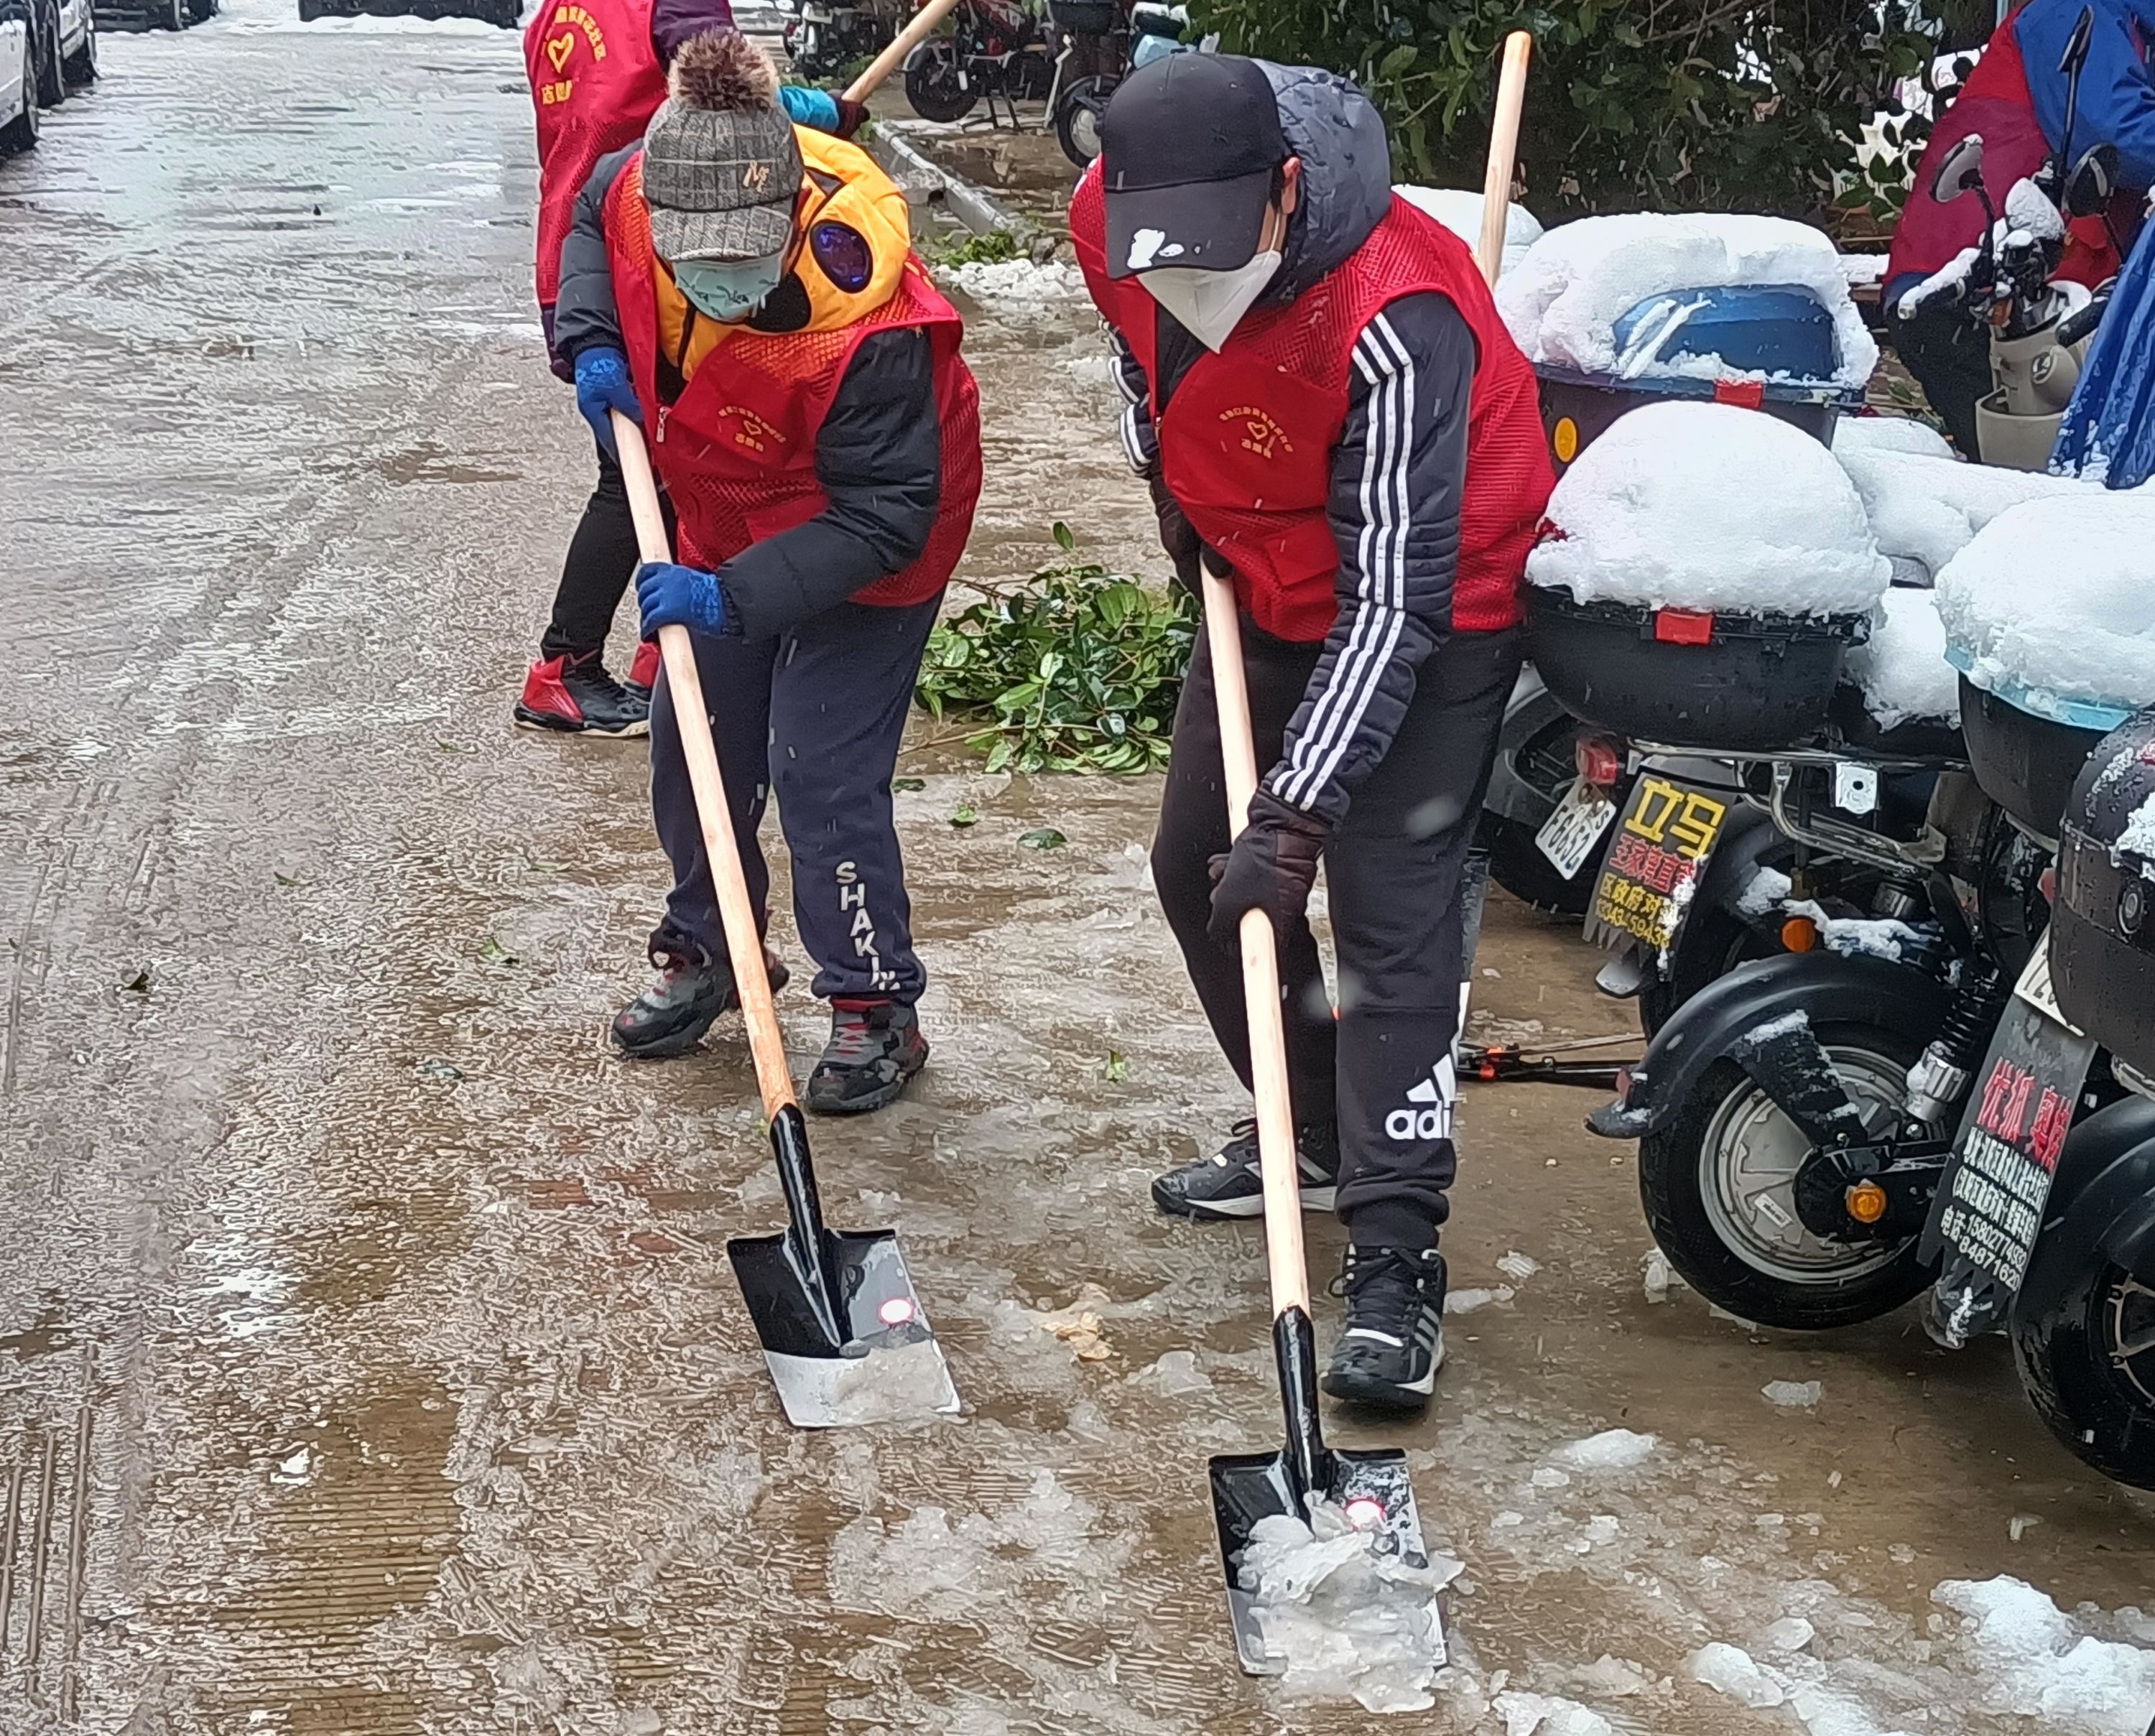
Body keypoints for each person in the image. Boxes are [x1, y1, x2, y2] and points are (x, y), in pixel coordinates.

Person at [1070, 54, 1554, 1413]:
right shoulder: (1115, 229)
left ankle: (1398, 1256)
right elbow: (1132, 360)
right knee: (1197, 866)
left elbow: (1394, 602)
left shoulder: (1401, 312)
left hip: (1429, 606)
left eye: (1217, 263)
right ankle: (1319, 1134)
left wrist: (1297, 813)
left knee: (1385, 915)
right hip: (1261, 580)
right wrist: (1173, 483)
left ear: (1285, 191)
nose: (1191, 295)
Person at [552, 31, 982, 1113]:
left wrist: (734, 598)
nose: (713, 277)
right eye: (692, 256)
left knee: (818, 767)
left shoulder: (871, 314)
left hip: (872, 526)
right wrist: (594, 334)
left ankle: (875, 1003)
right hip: (724, 488)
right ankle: (712, 947)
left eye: (740, 256)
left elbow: (887, 514)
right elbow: (594, 210)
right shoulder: (643, 181)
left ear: (791, 215)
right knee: (695, 737)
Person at [519, 0, 866, 735]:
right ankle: (566, 668)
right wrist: (822, 112)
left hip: (580, 258)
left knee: (670, 463)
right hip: (649, 264)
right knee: (645, 476)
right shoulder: (675, 4)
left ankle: (659, 658)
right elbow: (733, 102)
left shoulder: (558, 10)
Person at [1888, 0, 2155, 455]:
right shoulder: (2071, 9)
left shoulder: (2129, 27)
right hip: (1977, 295)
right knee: (2040, 492)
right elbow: (2117, 135)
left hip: (2038, 303)